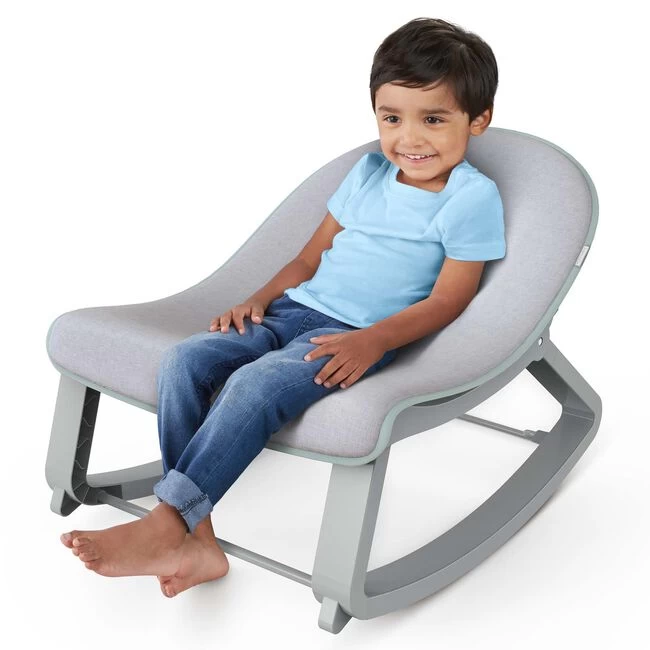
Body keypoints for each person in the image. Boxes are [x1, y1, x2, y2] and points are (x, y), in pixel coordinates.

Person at [60, 16, 506, 598]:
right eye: (392, 118)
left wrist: (374, 340)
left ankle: (166, 524)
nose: (410, 139)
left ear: (478, 120)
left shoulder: (471, 197)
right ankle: (197, 541)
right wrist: (258, 299)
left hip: (353, 336)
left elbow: (450, 299)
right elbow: (309, 258)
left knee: (255, 385)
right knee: (185, 361)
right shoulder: (369, 172)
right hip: (293, 309)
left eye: (434, 119)